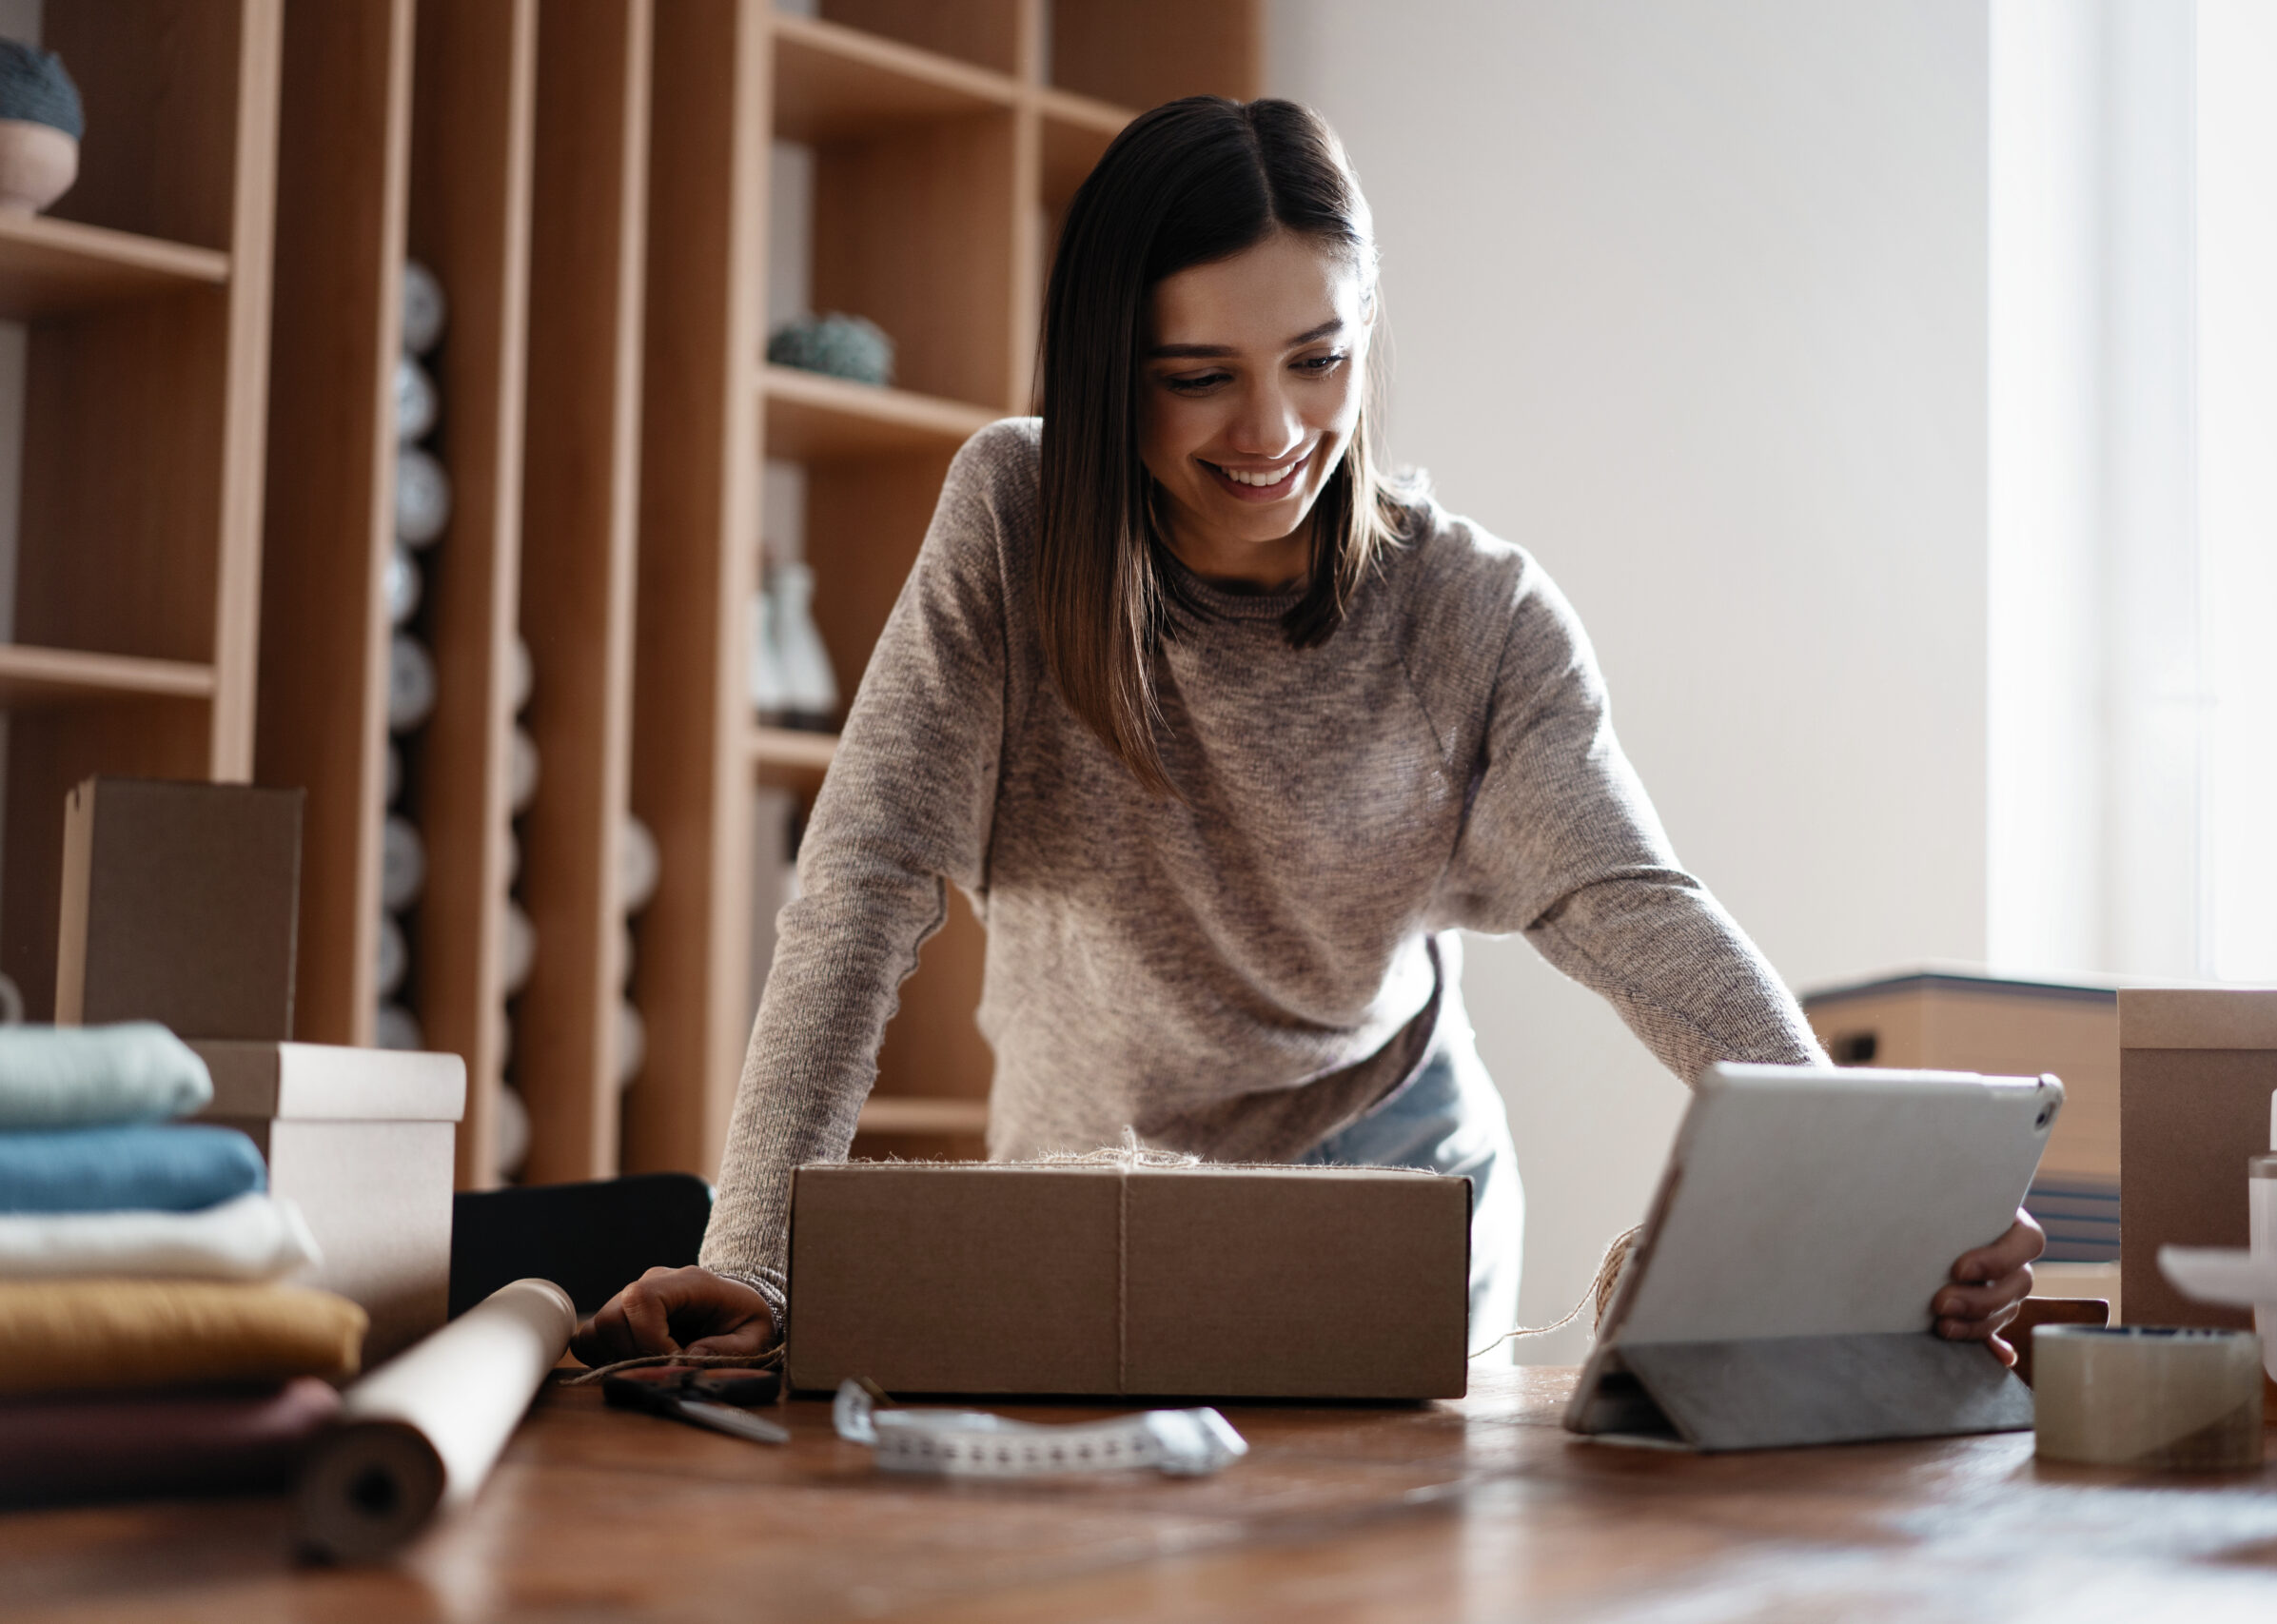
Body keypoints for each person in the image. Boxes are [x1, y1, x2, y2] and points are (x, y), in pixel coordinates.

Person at [573, 96, 2042, 1370]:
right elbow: (865, 878)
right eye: (1199, 375)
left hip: (1395, 1190)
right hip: (1087, 1179)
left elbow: (1633, 910)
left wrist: (1877, 1201)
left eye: (1319, 359)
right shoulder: (1013, 527)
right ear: (1107, 369)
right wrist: (757, 1247)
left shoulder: (1473, 612)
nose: (1272, 429)